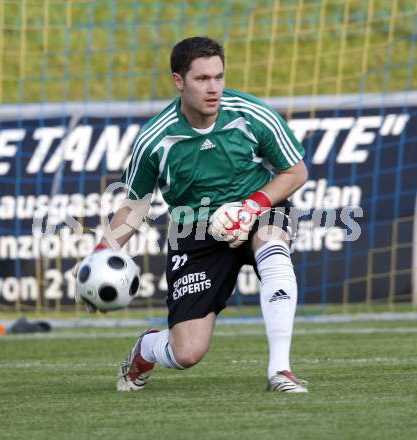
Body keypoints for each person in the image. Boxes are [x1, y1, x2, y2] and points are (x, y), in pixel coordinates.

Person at [89, 36, 309, 392]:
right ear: (179, 81)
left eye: (218, 77)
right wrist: (100, 256)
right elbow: (135, 206)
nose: (213, 88)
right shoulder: (154, 140)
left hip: (257, 207)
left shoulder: (252, 114)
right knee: (187, 353)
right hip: (196, 233)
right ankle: (146, 349)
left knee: (273, 246)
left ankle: (280, 371)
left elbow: (295, 172)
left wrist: (250, 206)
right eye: (202, 79)